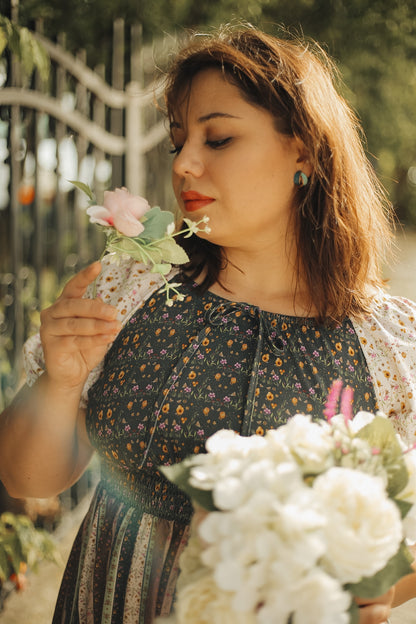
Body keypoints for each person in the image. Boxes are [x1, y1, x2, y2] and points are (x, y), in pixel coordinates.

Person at [1, 24, 416, 624]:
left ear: (303, 148)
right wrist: (59, 384)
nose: (186, 163)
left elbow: (403, 543)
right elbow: (27, 477)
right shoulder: (129, 289)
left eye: (218, 138)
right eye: (177, 142)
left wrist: (379, 587)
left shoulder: (390, 342)